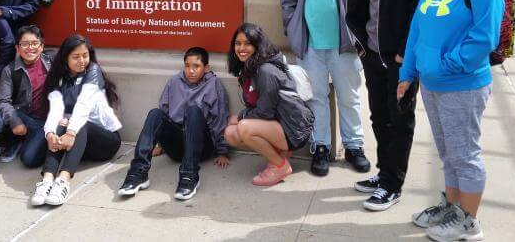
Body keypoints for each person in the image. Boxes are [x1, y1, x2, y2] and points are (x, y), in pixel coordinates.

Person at [399, 0, 504, 241]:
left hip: (463, 85)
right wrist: (409, 73)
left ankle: (469, 222)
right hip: (434, 84)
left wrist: (445, 65)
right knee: (448, 152)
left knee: (464, 153)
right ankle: (453, 207)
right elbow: (419, 28)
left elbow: (484, 38)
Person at [346, 0, 425, 211]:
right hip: (374, 55)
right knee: (379, 116)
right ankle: (384, 172)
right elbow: (359, 8)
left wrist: (406, 53)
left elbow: (419, 12)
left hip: (400, 59)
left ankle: (394, 184)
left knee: (400, 119)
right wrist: (363, 47)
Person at [280, 0, 367, 176]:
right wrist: (292, 28)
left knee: (349, 96)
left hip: (344, 41)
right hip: (310, 42)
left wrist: (360, 30)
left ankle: (354, 146)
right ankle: (321, 147)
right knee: (315, 96)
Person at [118, 47, 230, 200]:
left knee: (193, 110)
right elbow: (164, 113)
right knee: (155, 113)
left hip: (202, 146)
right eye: (187, 66)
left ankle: (189, 176)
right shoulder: (174, 81)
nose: (191, 71)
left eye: (196, 66)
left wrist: (222, 151)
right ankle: (138, 173)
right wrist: (162, 145)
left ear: (206, 68)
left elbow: (220, 117)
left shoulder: (213, 84)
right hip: (178, 146)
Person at [31, 35, 122, 206]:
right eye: (76, 57)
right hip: (79, 143)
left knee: (78, 123)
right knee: (61, 122)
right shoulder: (58, 78)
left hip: (105, 141)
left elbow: (83, 107)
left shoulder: (93, 71)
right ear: (65, 58)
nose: (82, 61)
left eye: (85, 55)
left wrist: (71, 132)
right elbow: (56, 110)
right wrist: (50, 133)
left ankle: (63, 181)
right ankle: (47, 180)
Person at [223, 23, 314, 186]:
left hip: (293, 128)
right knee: (230, 133)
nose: (241, 48)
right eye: (238, 43)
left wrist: (239, 117)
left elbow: (264, 112)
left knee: (243, 127)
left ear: (257, 45)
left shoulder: (265, 70)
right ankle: (280, 153)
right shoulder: (249, 68)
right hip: (278, 122)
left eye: (248, 43)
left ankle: (280, 166)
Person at [0, 25, 52, 166]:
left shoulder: (52, 63)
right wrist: (15, 121)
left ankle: (28, 140)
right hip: (21, 115)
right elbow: (3, 101)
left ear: (41, 46)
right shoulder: (10, 70)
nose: (30, 47)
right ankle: (13, 140)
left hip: (43, 122)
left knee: (30, 160)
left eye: (34, 43)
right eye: (24, 44)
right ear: (17, 48)